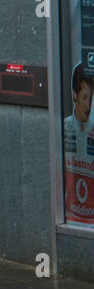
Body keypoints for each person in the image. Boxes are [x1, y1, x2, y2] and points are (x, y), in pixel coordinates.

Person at [64, 65, 94, 224]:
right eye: (85, 98)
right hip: (71, 218)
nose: (89, 106)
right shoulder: (65, 128)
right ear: (75, 95)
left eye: (92, 98)